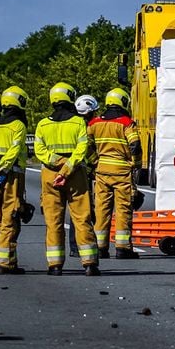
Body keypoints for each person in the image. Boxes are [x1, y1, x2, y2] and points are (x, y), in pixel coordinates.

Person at [33, 82, 100, 276]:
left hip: (50, 174)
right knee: (82, 218)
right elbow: (82, 149)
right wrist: (67, 167)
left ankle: (54, 265)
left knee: (53, 221)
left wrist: (57, 164)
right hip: (74, 174)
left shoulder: (42, 124)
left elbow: (39, 151)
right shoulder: (78, 123)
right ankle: (89, 263)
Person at [89, 88, 140, 260]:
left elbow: (86, 146)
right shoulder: (126, 123)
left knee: (102, 209)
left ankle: (100, 247)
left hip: (102, 171)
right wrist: (135, 164)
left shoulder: (94, 123)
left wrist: (95, 161)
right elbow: (135, 145)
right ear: (123, 102)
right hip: (121, 172)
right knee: (123, 209)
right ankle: (122, 247)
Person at [0, 86, 30, 275]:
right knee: (10, 218)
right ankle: (6, 262)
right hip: (12, 176)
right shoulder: (18, 125)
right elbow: (15, 150)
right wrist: (3, 169)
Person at [69, 94, 100, 258]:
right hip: (80, 173)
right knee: (81, 213)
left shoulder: (70, 124)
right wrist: (96, 162)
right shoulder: (83, 126)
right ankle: (80, 246)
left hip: (65, 171)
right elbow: (86, 148)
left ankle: (74, 246)